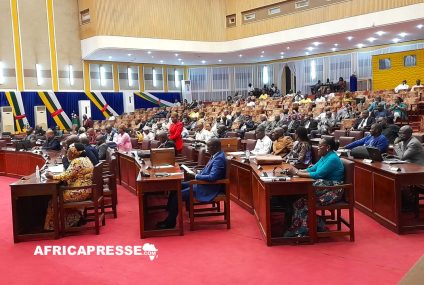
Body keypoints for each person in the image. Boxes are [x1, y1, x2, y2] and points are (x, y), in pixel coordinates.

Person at [157, 138, 227, 229]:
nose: (207, 149)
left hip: (208, 187)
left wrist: (195, 176)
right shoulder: (215, 155)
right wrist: (197, 172)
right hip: (202, 183)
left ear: (215, 147)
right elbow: (209, 172)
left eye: (208, 146)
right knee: (176, 186)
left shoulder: (219, 159)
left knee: (178, 196)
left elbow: (212, 177)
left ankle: (170, 222)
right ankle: (169, 215)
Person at [284, 137, 345, 237]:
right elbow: (313, 169)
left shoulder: (332, 158)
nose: (317, 148)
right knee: (297, 197)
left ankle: (303, 230)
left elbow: (318, 174)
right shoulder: (325, 156)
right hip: (323, 186)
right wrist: (297, 172)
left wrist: (297, 172)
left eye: (320, 146)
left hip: (332, 190)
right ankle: (313, 225)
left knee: (301, 202)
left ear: (328, 147)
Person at [44, 143, 94, 230]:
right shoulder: (86, 159)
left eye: (70, 152)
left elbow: (66, 176)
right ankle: (74, 220)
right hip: (87, 190)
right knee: (59, 194)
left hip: (78, 192)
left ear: (75, 153)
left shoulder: (77, 161)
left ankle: (54, 227)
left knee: (54, 201)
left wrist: (52, 176)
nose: (68, 153)